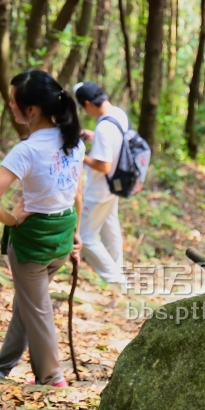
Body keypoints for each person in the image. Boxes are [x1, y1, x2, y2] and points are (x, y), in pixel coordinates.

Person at [0, 70, 84, 388]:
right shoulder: (73, 140)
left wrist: (12, 219)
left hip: (32, 244)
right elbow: (77, 193)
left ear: (31, 110)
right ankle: (0, 365)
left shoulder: (26, 150)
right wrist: (76, 234)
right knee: (28, 303)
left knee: (36, 308)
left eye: (13, 101)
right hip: (63, 236)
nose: (9, 106)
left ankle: (52, 377)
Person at [73, 82, 128, 285]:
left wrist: (81, 156)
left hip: (100, 189)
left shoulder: (104, 127)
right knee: (110, 230)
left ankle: (117, 281)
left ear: (88, 103)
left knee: (86, 237)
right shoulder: (117, 114)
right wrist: (91, 135)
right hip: (114, 186)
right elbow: (118, 140)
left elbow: (103, 165)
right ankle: (118, 273)